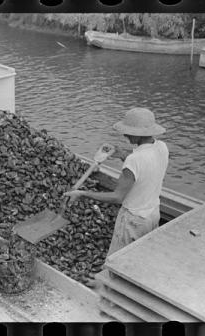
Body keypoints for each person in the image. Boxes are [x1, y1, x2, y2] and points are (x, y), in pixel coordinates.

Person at [65, 107, 168, 283]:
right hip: (152, 214)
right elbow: (144, 163)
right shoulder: (161, 147)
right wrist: (121, 154)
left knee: (117, 261)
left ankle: (105, 289)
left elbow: (117, 197)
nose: (125, 136)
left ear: (139, 134)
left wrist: (82, 193)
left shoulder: (134, 160)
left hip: (132, 219)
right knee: (138, 256)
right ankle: (134, 285)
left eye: (128, 133)